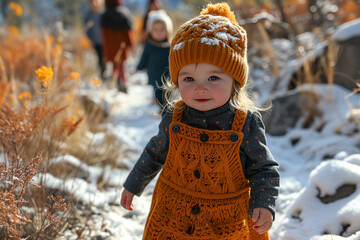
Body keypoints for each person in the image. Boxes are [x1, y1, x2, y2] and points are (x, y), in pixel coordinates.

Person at [121, 2, 279, 239]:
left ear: (235, 80)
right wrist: (134, 183)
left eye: (213, 77)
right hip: (172, 215)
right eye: (189, 79)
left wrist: (264, 203)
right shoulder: (174, 117)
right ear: (177, 81)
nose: (200, 89)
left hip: (225, 222)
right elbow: (155, 152)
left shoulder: (245, 123)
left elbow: (263, 168)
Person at [136, 9, 172, 111]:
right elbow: (144, 57)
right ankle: (161, 107)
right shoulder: (149, 45)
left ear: (168, 30)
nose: (158, 33)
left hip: (167, 74)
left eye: (162, 30)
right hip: (154, 74)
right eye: (155, 30)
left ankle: (166, 105)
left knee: (167, 91)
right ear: (150, 31)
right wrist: (139, 67)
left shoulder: (169, 45)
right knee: (157, 91)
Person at [101, 0, 135, 93]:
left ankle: (117, 83)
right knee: (122, 66)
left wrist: (105, 49)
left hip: (110, 47)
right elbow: (128, 33)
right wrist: (131, 45)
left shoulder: (104, 16)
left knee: (114, 66)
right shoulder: (123, 13)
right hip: (121, 46)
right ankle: (124, 83)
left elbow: (104, 35)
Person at [84, 0, 106, 79]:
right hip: (96, 41)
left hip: (105, 41)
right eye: (92, 2)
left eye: (96, 2)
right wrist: (91, 40)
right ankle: (102, 74)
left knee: (105, 57)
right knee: (100, 57)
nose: (94, 4)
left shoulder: (103, 13)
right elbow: (87, 29)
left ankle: (106, 72)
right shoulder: (88, 15)